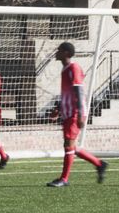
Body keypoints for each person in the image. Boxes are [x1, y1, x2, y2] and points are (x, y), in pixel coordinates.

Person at [46, 42, 108, 187]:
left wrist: (81, 113)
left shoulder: (74, 68)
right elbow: (67, 94)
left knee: (69, 144)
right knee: (70, 145)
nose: (57, 52)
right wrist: (59, 108)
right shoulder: (65, 70)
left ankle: (64, 179)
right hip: (68, 112)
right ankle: (99, 164)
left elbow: (79, 92)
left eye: (59, 50)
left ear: (66, 53)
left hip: (75, 113)